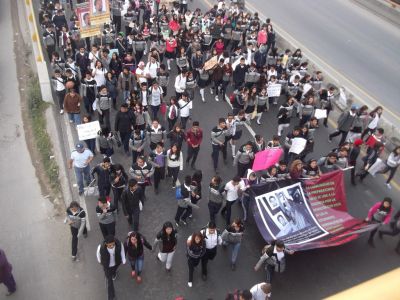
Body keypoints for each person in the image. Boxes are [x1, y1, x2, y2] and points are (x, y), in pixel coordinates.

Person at [96, 235, 126, 300]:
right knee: (110, 282)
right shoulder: (101, 247)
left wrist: (123, 259)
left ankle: (114, 273)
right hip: (107, 266)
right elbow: (98, 254)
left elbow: (122, 251)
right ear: (106, 244)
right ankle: (111, 296)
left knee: (114, 271)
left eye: (113, 245)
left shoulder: (119, 244)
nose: (111, 246)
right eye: (109, 245)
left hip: (116, 264)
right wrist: (99, 261)